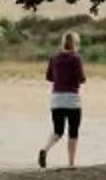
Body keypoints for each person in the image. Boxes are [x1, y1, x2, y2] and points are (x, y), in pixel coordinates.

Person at [37, 31, 86, 169]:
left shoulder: (54, 57)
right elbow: (81, 78)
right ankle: (71, 163)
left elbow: (49, 77)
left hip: (56, 99)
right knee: (73, 131)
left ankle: (45, 149)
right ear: (75, 43)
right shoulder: (76, 58)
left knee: (58, 130)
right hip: (72, 99)